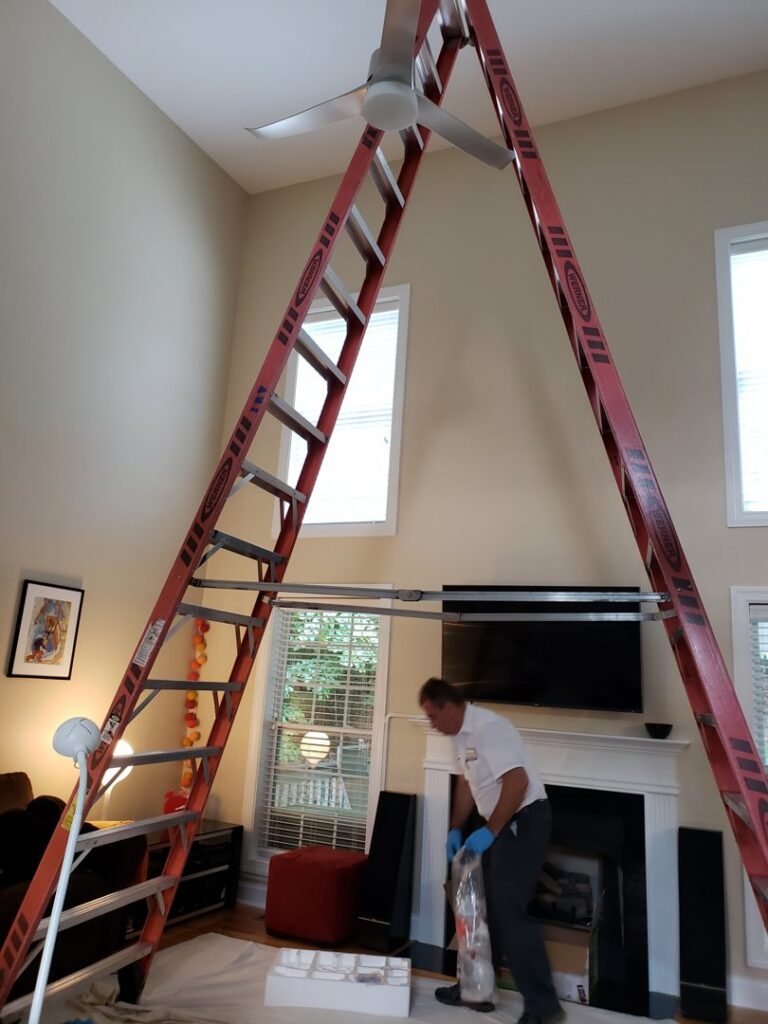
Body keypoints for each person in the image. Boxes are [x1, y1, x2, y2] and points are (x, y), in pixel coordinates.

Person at [418, 676, 563, 1024]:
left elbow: (517, 782)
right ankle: (477, 991)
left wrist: (489, 832)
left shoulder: (488, 728)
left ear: (449, 706)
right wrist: (455, 827)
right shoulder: (460, 736)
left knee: (511, 912)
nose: (432, 725)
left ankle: (544, 1007)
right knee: (481, 910)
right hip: (503, 823)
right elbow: (467, 784)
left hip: (524, 821)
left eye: (433, 716)